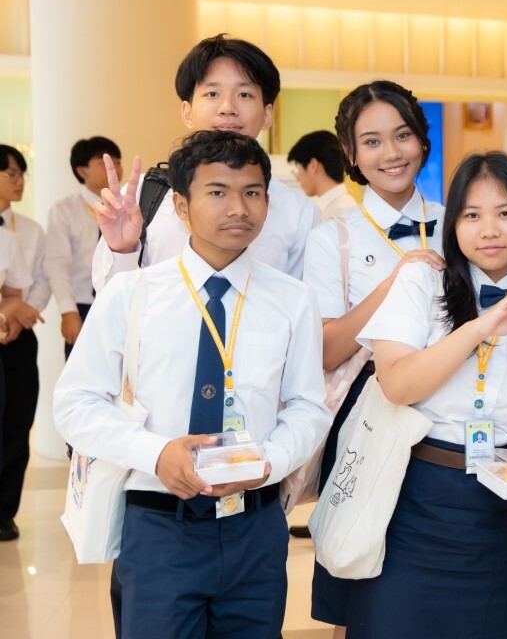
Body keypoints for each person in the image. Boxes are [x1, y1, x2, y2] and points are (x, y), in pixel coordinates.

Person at [54, 131, 331, 639]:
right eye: (217, 191)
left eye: (252, 192)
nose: (239, 208)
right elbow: (75, 403)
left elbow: (309, 407)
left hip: (255, 527)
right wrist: (157, 453)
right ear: (181, 205)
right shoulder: (132, 292)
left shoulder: (292, 299)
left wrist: (268, 462)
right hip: (159, 526)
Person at [347, 152, 507, 638]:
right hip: (415, 496)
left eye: (506, 212)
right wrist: (480, 326)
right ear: (453, 225)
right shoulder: (421, 282)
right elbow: (397, 384)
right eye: (472, 215)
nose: (489, 229)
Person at [302, 81, 445, 634]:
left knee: (432, 579)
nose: (391, 153)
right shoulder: (332, 238)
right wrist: (396, 283)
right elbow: (326, 349)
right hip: (364, 412)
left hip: (447, 407)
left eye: (402, 135)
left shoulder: (459, 220)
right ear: (352, 154)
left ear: (423, 142)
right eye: (372, 141)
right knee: (358, 574)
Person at [92, 34, 320, 290]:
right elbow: (109, 299)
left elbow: (303, 304)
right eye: (212, 93)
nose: (227, 107)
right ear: (187, 112)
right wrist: (123, 252)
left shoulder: (297, 212)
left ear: (267, 115)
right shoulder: (143, 196)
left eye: (244, 94)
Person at [0, 144, 51, 543]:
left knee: (17, 422)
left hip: (19, 335)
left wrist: (16, 317)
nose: (19, 181)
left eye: (22, 174)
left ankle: (4, 511)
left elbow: (38, 282)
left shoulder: (28, 231)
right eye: (11, 173)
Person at [46, 137, 122, 358]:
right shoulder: (64, 210)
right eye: (103, 162)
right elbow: (57, 264)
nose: (115, 168)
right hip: (82, 306)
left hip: (120, 302)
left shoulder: (128, 207)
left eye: (117, 161)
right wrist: (68, 311)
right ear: (82, 171)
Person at [288, 130, 357, 221]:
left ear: (313, 165)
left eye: (298, 168)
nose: (298, 178)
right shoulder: (329, 207)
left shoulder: (343, 211)